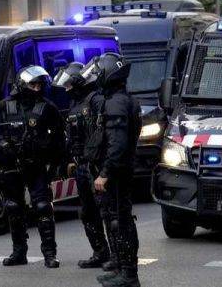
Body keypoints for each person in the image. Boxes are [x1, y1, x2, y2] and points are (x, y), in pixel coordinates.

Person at [0, 65, 64, 269]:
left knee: (43, 207)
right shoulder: (4, 106)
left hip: (36, 164)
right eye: (32, 84)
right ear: (22, 83)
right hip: (10, 164)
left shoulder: (46, 107)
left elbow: (59, 136)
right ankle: (19, 252)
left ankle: (50, 254)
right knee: (13, 208)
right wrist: (0, 143)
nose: (36, 88)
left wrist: (56, 163)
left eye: (39, 84)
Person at [84, 53, 142, 287]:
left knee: (121, 221)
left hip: (117, 172)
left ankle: (128, 275)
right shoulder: (123, 99)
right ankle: (122, 269)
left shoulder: (116, 102)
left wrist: (105, 173)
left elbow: (117, 144)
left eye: (99, 73)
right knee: (118, 219)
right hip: (121, 169)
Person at [51, 62, 111, 269]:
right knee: (88, 212)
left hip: (95, 165)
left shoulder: (95, 100)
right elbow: (72, 138)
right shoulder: (75, 104)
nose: (66, 89)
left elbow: (103, 134)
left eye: (68, 84)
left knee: (106, 211)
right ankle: (100, 253)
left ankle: (116, 257)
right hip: (80, 165)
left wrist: (102, 167)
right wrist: (67, 161)